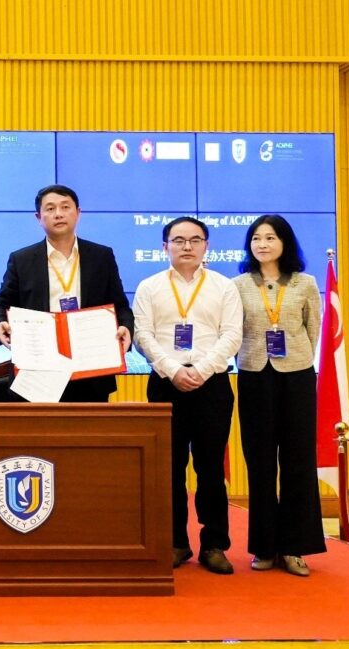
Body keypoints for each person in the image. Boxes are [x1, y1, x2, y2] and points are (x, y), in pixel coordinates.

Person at [132, 216, 243, 574]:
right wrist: (173, 370)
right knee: (169, 467)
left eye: (195, 240)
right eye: (178, 240)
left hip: (212, 385)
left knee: (211, 468)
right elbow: (143, 335)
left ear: (206, 246)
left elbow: (232, 335)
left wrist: (202, 370)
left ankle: (214, 545)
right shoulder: (149, 287)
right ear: (164, 246)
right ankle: (175, 542)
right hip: (166, 383)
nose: (187, 247)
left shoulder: (224, 287)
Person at [234, 214, 325, 577]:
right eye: (256, 238)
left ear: (284, 242)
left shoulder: (305, 283)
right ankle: (265, 546)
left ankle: (294, 548)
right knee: (259, 462)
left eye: (270, 237)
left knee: (298, 460)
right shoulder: (238, 285)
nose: (263, 244)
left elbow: (313, 330)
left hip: (296, 377)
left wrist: (298, 359)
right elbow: (233, 330)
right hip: (254, 375)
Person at [0, 184, 133, 402]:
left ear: (78, 213)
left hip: (91, 368)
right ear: (39, 217)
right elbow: (0, 305)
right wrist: (0, 322)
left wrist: (126, 327)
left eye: (65, 207)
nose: (58, 214)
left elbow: (120, 305)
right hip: (38, 371)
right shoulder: (22, 259)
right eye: (50, 208)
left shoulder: (101, 256)